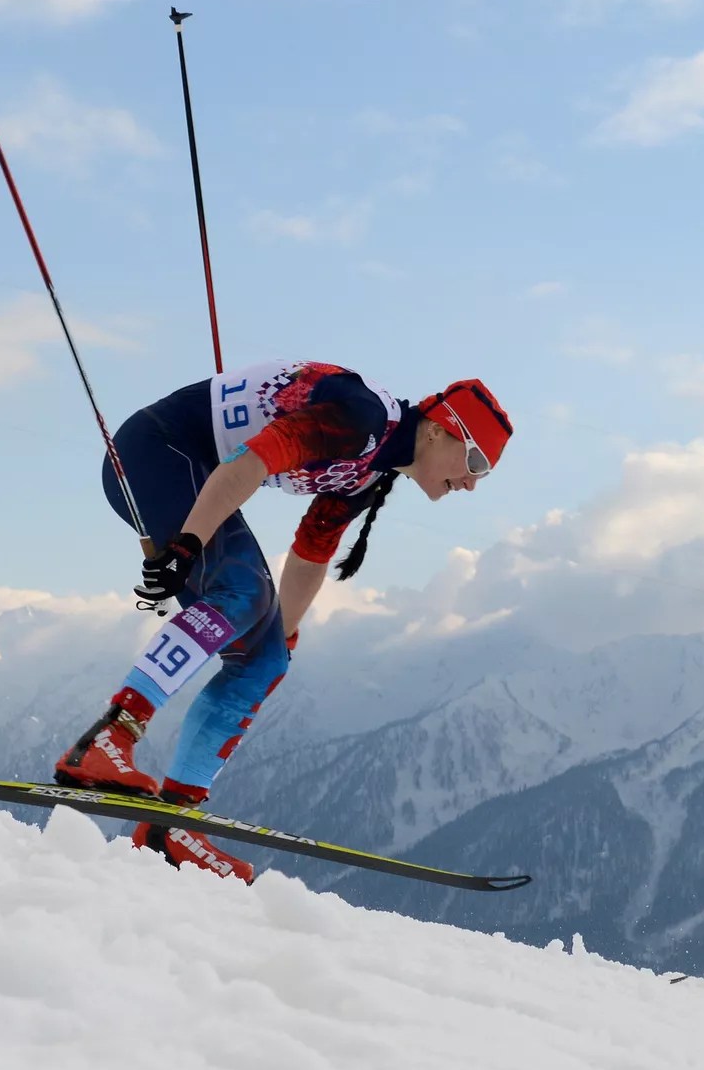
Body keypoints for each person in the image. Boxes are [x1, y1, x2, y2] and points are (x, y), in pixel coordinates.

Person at [51, 361, 513, 883]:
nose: (472, 483)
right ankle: (108, 738)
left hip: (197, 473)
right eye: (475, 460)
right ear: (436, 429)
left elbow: (312, 551)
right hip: (154, 453)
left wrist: (280, 637)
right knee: (242, 590)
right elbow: (250, 463)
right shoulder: (362, 419)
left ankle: (170, 825)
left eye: (484, 474)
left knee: (266, 659)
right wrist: (186, 546)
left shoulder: (371, 467)